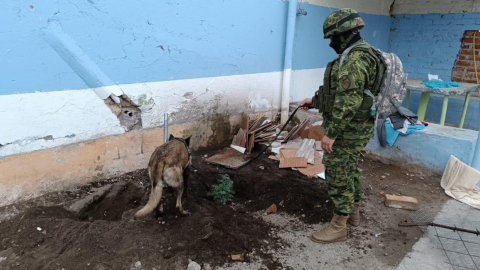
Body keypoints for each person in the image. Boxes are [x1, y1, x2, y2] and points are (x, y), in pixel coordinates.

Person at [299, 8, 383, 244]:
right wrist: (314, 101)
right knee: (349, 167)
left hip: (348, 128)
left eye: (332, 38)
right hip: (355, 126)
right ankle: (353, 213)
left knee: (337, 171)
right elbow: (341, 92)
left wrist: (331, 134)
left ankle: (338, 226)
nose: (330, 43)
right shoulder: (356, 54)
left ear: (345, 33)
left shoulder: (355, 59)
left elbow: (350, 100)